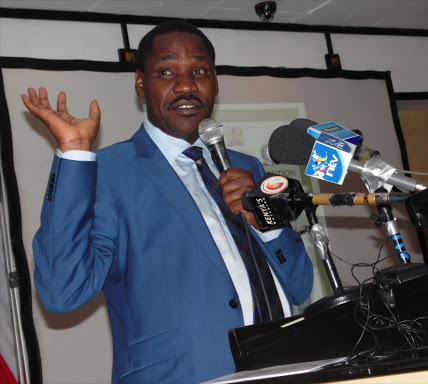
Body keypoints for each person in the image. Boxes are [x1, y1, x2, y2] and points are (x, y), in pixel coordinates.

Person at [22, 20, 313, 384]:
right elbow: (61, 294)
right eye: (166, 71)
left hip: (285, 368)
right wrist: (75, 156)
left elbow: (300, 285)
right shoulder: (110, 171)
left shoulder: (247, 167)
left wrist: (267, 228)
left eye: (199, 70)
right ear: (141, 84)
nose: (187, 85)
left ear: (216, 82)